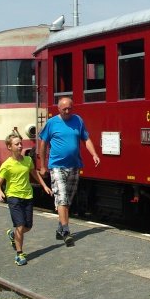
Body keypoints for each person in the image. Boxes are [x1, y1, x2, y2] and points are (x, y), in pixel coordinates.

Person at [37, 96, 100, 246]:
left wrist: (94, 154)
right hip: (57, 166)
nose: (67, 111)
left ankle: (60, 228)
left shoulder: (77, 120)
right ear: (58, 109)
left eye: (69, 108)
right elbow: (43, 144)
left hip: (74, 166)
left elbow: (86, 139)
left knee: (68, 199)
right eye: (64, 109)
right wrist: (43, 165)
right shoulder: (51, 123)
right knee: (62, 197)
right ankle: (66, 231)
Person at [0, 132, 52, 266]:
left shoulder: (28, 160)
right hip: (13, 197)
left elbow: (34, 173)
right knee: (20, 226)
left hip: (28, 195)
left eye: (21, 143)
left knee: (28, 226)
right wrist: (0, 193)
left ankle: (12, 235)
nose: (20, 146)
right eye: (17, 144)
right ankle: (19, 254)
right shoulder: (7, 165)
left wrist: (44, 186)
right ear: (9, 147)